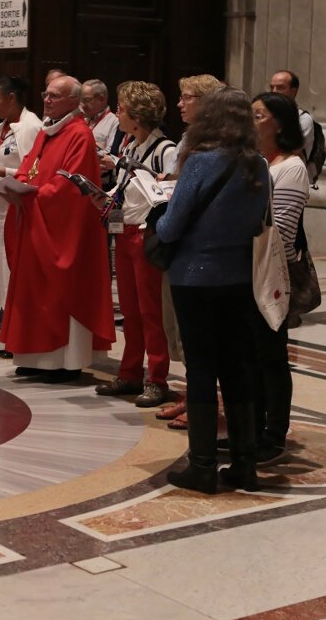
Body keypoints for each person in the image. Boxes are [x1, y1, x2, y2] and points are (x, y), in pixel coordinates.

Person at [156, 88, 269, 493]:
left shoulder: (201, 162)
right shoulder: (259, 164)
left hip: (194, 277)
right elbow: (259, 223)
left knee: (202, 368)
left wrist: (158, 220)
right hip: (239, 278)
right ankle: (244, 465)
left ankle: (202, 466)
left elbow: (171, 226)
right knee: (237, 367)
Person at [0, 75, 115, 384]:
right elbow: (28, 166)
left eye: (54, 96)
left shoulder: (80, 135)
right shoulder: (47, 132)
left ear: (73, 101)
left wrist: (34, 195)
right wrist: (19, 184)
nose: (47, 100)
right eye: (45, 94)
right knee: (33, 292)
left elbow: (70, 185)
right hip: (37, 219)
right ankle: (36, 357)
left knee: (59, 290)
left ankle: (66, 361)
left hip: (63, 228)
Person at [94, 81, 177, 407]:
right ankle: (129, 373)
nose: (117, 113)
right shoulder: (128, 147)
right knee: (129, 310)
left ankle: (157, 378)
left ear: (138, 115)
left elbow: (168, 191)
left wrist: (126, 169)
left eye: (122, 109)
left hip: (147, 234)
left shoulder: (165, 150)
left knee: (150, 311)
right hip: (125, 231)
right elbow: (125, 190)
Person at [161, 73, 226, 427]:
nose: (180, 104)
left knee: (197, 338)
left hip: (196, 252)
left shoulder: (210, 148)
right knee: (180, 332)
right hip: (184, 249)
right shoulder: (191, 139)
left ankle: (207, 404)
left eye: (188, 98)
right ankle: (190, 396)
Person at [249, 91, 309, 464]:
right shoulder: (256, 163)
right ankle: (251, 429)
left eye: (258, 116)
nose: (251, 122)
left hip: (271, 275)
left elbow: (283, 234)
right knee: (249, 357)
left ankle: (273, 434)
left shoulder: (291, 168)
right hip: (248, 270)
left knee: (271, 357)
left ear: (280, 124)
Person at [0, 76, 42, 353]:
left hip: (13, 210)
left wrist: (3, 172)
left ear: (12, 97)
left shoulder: (30, 127)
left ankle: (13, 336)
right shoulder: (2, 128)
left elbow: (34, 171)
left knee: (8, 269)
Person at [268, 69, 316, 164]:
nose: (274, 91)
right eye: (272, 87)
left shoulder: (303, 119)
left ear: (293, 91)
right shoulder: (267, 115)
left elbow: (291, 150)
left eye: (280, 87)